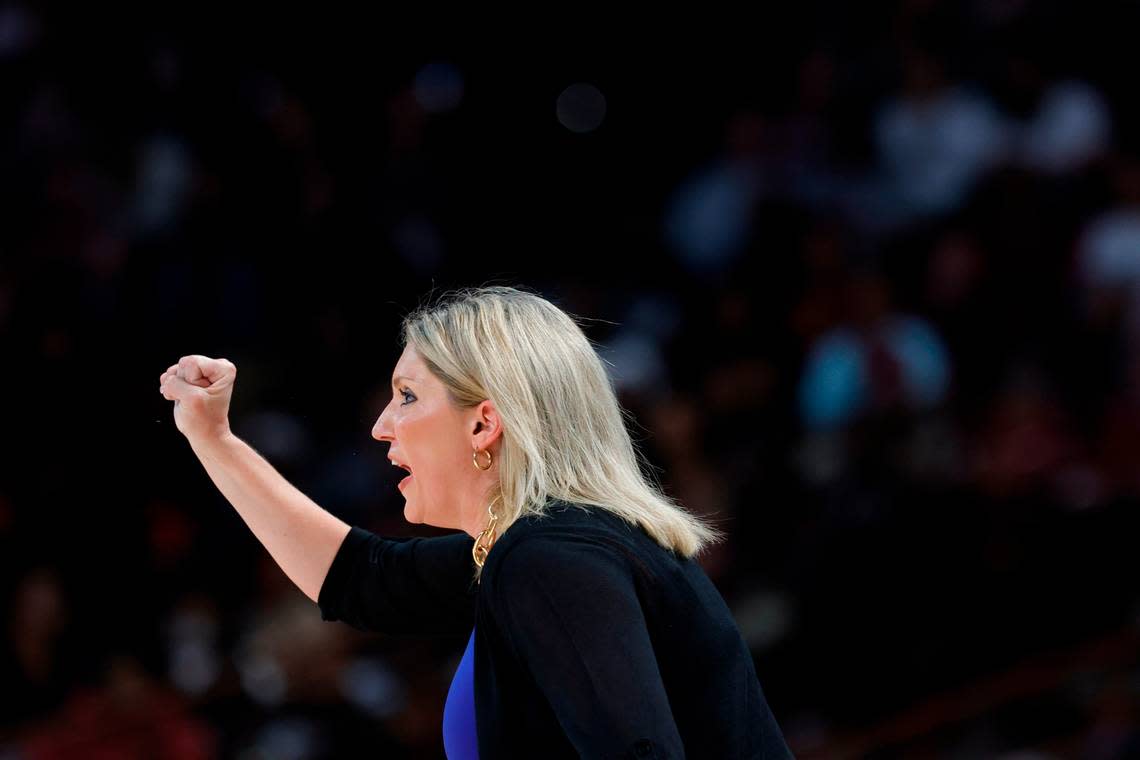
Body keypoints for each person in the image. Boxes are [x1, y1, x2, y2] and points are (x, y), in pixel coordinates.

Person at [158, 285, 794, 759]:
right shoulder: (547, 548)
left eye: (407, 395)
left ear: (483, 423)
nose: (381, 425)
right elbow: (363, 579)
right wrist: (214, 439)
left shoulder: (551, 560)